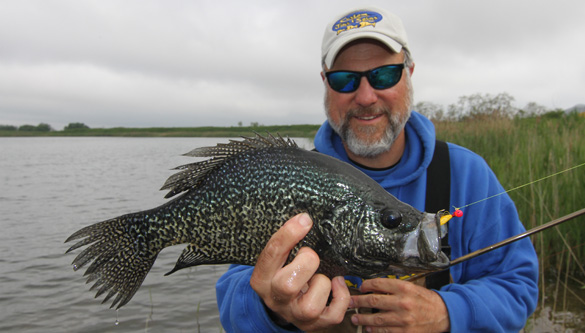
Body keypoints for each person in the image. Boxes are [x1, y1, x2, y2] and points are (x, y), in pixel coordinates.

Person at [216, 6, 538, 332]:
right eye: (345, 80)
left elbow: (518, 284)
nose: (366, 96)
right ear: (326, 83)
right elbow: (233, 300)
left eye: (384, 74)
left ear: (409, 73)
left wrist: (448, 311)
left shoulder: (467, 172)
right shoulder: (290, 176)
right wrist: (275, 312)